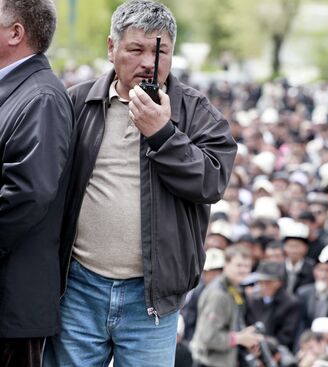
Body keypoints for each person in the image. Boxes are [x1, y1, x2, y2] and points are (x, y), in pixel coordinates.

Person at [42, 1, 237, 366]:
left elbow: (212, 182)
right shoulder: (78, 103)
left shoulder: (196, 112)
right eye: (136, 49)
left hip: (153, 299)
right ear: (112, 48)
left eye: (159, 50)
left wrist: (163, 135)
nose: (149, 61)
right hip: (79, 287)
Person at [0, 1, 74, 366]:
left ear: (16, 32)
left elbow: (28, 193)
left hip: (12, 305)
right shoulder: (18, 91)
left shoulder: (41, 97)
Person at [191, 245, 263, 367]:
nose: (243, 270)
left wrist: (247, 337)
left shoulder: (235, 289)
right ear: (226, 264)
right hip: (208, 362)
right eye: (239, 265)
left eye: (247, 266)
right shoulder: (218, 295)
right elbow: (208, 337)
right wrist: (240, 338)